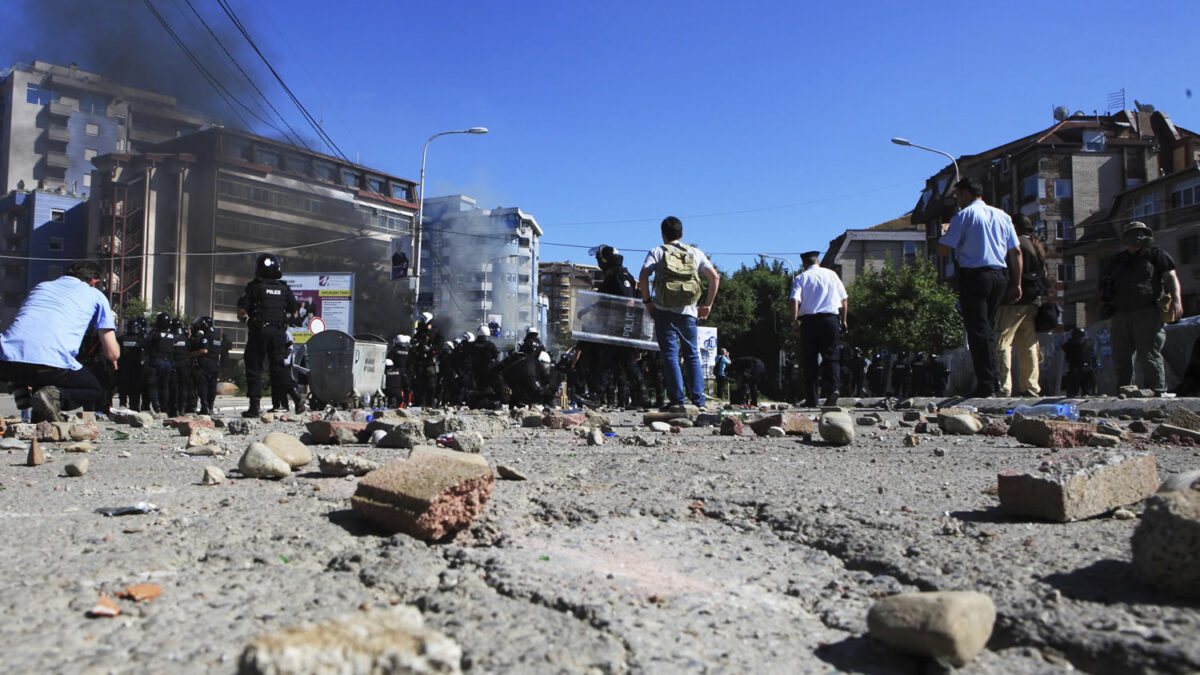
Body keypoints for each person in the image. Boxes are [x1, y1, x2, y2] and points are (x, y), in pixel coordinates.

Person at [0, 261, 120, 421]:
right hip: (50, 363)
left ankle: (21, 390)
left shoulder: (41, 287)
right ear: (94, 281)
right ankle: (54, 396)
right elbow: (111, 353)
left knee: (33, 368)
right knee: (94, 390)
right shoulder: (96, 295)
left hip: (6, 359)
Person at [937, 177, 1022, 397]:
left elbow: (944, 250)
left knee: (978, 332)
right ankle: (993, 380)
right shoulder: (1003, 216)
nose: (957, 200)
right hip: (999, 276)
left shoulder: (964, 216)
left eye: (957, 195)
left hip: (975, 276)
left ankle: (988, 384)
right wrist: (1016, 282)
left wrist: (944, 233)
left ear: (966, 193)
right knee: (988, 330)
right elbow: (1016, 252)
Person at [639, 216, 720, 411]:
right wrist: (707, 305)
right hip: (689, 311)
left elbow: (643, 274)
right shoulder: (694, 252)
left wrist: (648, 301)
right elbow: (715, 278)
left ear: (662, 234)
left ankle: (677, 400)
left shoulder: (658, 252)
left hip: (664, 310)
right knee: (692, 353)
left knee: (670, 355)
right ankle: (699, 400)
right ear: (682, 234)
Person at [1099, 220, 1182, 394]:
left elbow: (1170, 277)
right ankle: (1125, 389)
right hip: (1120, 313)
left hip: (1147, 311)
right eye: (1133, 233)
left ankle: (1156, 390)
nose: (1138, 236)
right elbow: (1104, 285)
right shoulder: (1117, 260)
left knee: (1149, 353)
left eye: (1141, 232)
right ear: (1125, 238)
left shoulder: (1155, 255)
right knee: (1121, 355)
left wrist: (1176, 300)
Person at [237, 253, 302, 417]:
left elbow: (242, 311)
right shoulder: (284, 288)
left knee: (254, 367)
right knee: (279, 368)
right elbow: (295, 310)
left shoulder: (254, 286)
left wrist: (245, 319)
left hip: (260, 331)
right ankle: (295, 396)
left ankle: (254, 407)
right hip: (279, 333)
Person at [994, 215, 1049, 397]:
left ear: (1014, 227)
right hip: (1033, 301)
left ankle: (1004, 386)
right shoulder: (1036, 245)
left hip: (1013, 300)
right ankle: (1030, 386)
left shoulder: (1015, 244)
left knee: (1003, 341)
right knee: (1028, 344)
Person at [789, 250, 848, 407]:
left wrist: (794, 322)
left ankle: (812, 399)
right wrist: (844, 321)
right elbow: (844, 299)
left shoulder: (801, 277)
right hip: (831, 320)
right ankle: (833, 390)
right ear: (818, 261)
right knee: (831, 357)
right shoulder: (832, 275)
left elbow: (794, 300)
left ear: (804, 263)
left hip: (809, 322)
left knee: (810, 360)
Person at [1060, 327, 1096, 397]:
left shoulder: (1086, 343)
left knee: (1084, 390)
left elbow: (1092, 355)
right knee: (1074, 392)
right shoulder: (1071, 343)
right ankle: (1080, 394)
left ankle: (1085, 394)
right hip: (1078, 367)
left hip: (1082, 368)